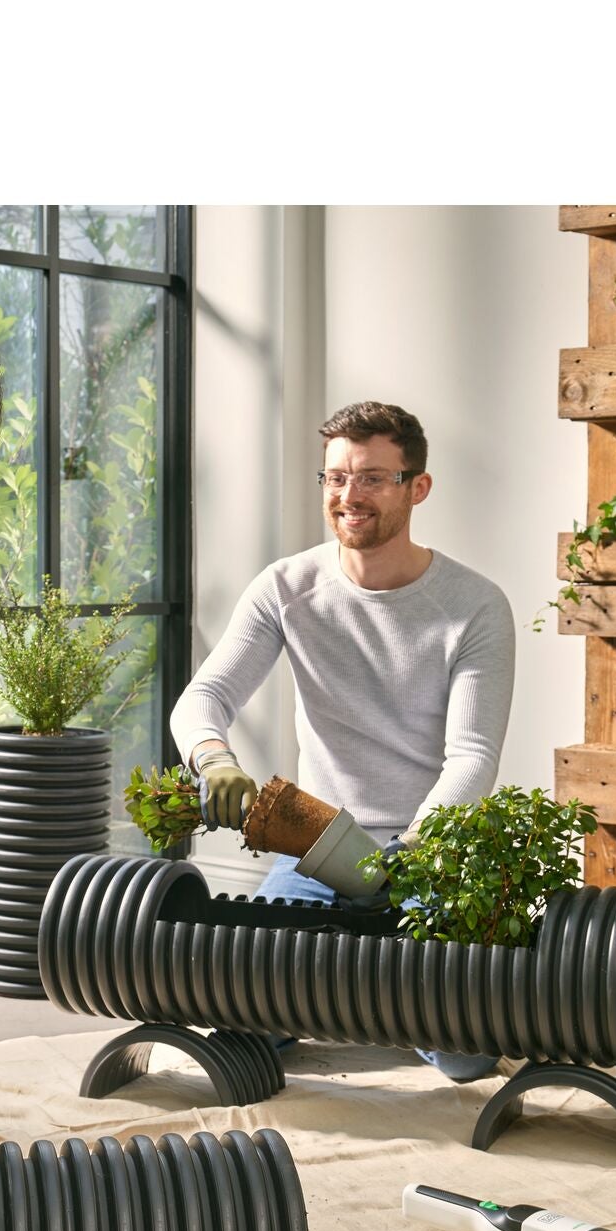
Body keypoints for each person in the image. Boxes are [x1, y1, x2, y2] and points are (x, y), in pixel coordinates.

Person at [169, 400, 516, 1081]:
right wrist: (214, 761)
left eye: (372, 478)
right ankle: (353, 995)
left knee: (466, 1058)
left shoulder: (475, 605)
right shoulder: (287, 587)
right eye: (335, 478)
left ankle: (375, 996)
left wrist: (411, 851)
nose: (349, 496)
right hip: (316, 844)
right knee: (235, 1027)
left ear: (418, 487)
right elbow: (202, 699)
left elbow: (472, 756)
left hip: (429, 854)